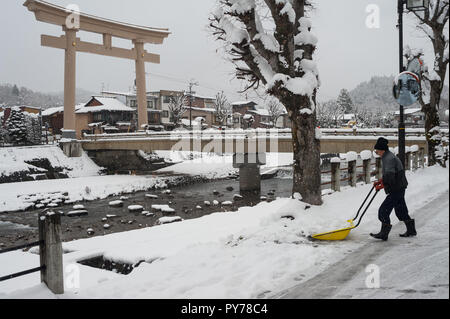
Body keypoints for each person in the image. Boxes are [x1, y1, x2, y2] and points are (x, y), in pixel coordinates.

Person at [370, 137, 417, 241]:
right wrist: (381, 181)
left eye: (376, 150)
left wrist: (382, 185)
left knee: (383, 210)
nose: (376, 152)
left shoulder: (389, 158)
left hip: (396, 188)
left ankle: (384, 233)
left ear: (381, 149)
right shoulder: (387, 156)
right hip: (399, 187)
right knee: (401, 210)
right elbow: (389, 174)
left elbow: (391, 176)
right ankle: (411, 230)